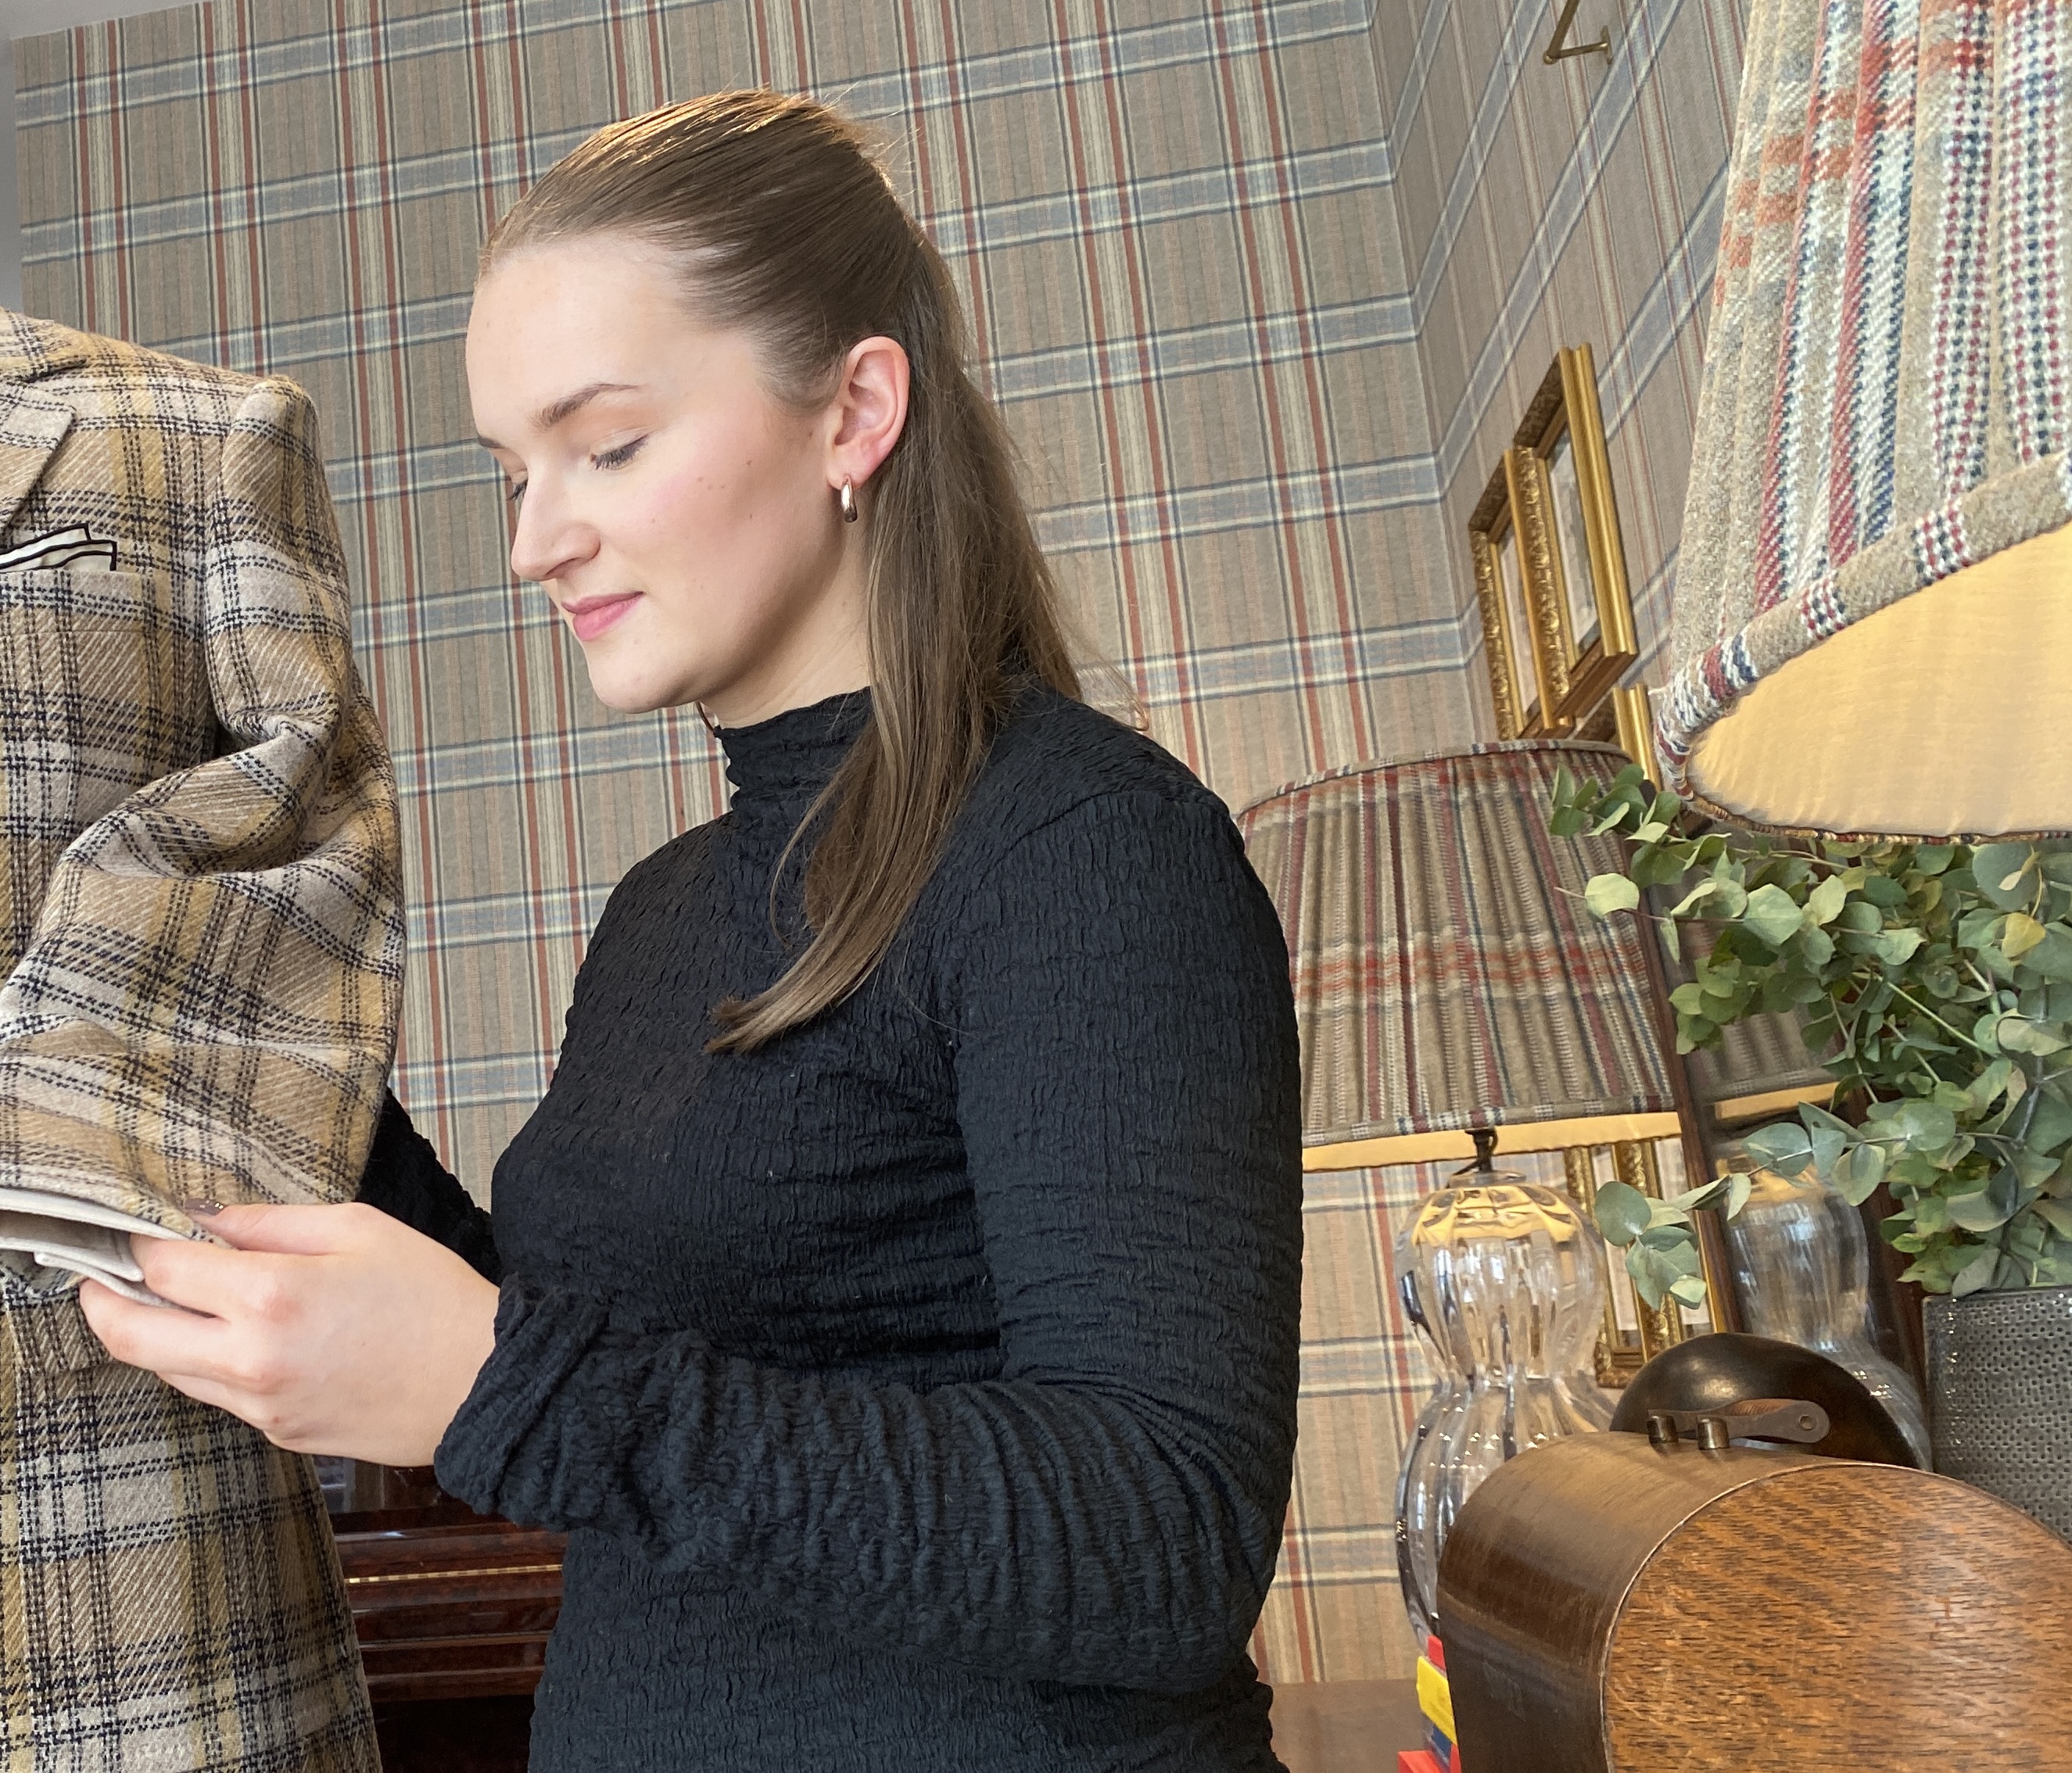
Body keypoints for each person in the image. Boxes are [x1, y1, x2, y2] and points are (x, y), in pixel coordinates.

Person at [78, 90, 1305, 1771]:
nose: (534, 540)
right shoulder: (667, 908)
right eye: (515, 472)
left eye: (610, 444)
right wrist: (288, 1087)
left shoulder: (1088, 849)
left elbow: (1165, 1540)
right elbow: (623, 1353)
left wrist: (498, 1380)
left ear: (855, 411)